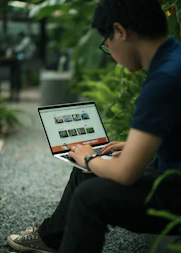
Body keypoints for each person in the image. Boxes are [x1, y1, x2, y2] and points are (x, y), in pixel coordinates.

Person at [7, 0, 181, 252]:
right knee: (86, 172)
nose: (110, 54)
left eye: (106, 43)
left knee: (88, 195)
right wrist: (133, 148)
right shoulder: (174, 58)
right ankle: (52, 239)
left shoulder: (163, 79)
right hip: (171, 171)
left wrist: (89, 156)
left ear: (120, 32)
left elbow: (125, 173)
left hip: (175, 192)